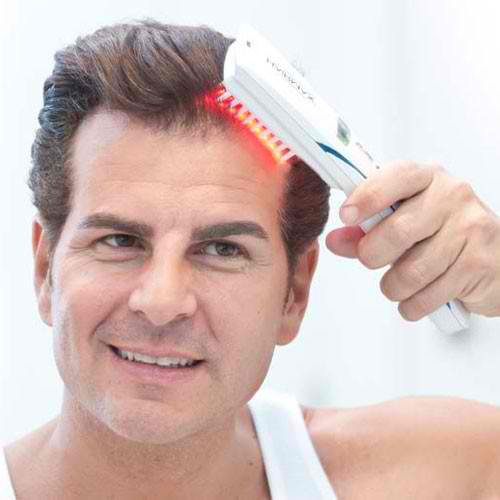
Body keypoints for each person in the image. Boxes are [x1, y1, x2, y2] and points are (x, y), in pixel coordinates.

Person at [2, 19, 500, 499]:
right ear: (45, 270)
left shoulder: (434, 479)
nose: (161, 302)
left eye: (223, 249)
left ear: (294, 294)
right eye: (119, 241)